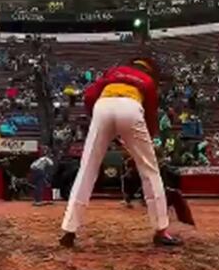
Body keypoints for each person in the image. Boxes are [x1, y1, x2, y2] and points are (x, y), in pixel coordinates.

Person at [61, 57, 182, 247]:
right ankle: (161, 230)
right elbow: (150, 115)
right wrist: (146, 141)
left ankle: (69, 230)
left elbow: (90, 95)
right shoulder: (147, 81)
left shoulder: (113, 73)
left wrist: (99, 121)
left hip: (103, 106)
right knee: (150, 171)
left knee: (87, 169)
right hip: (131, 108)